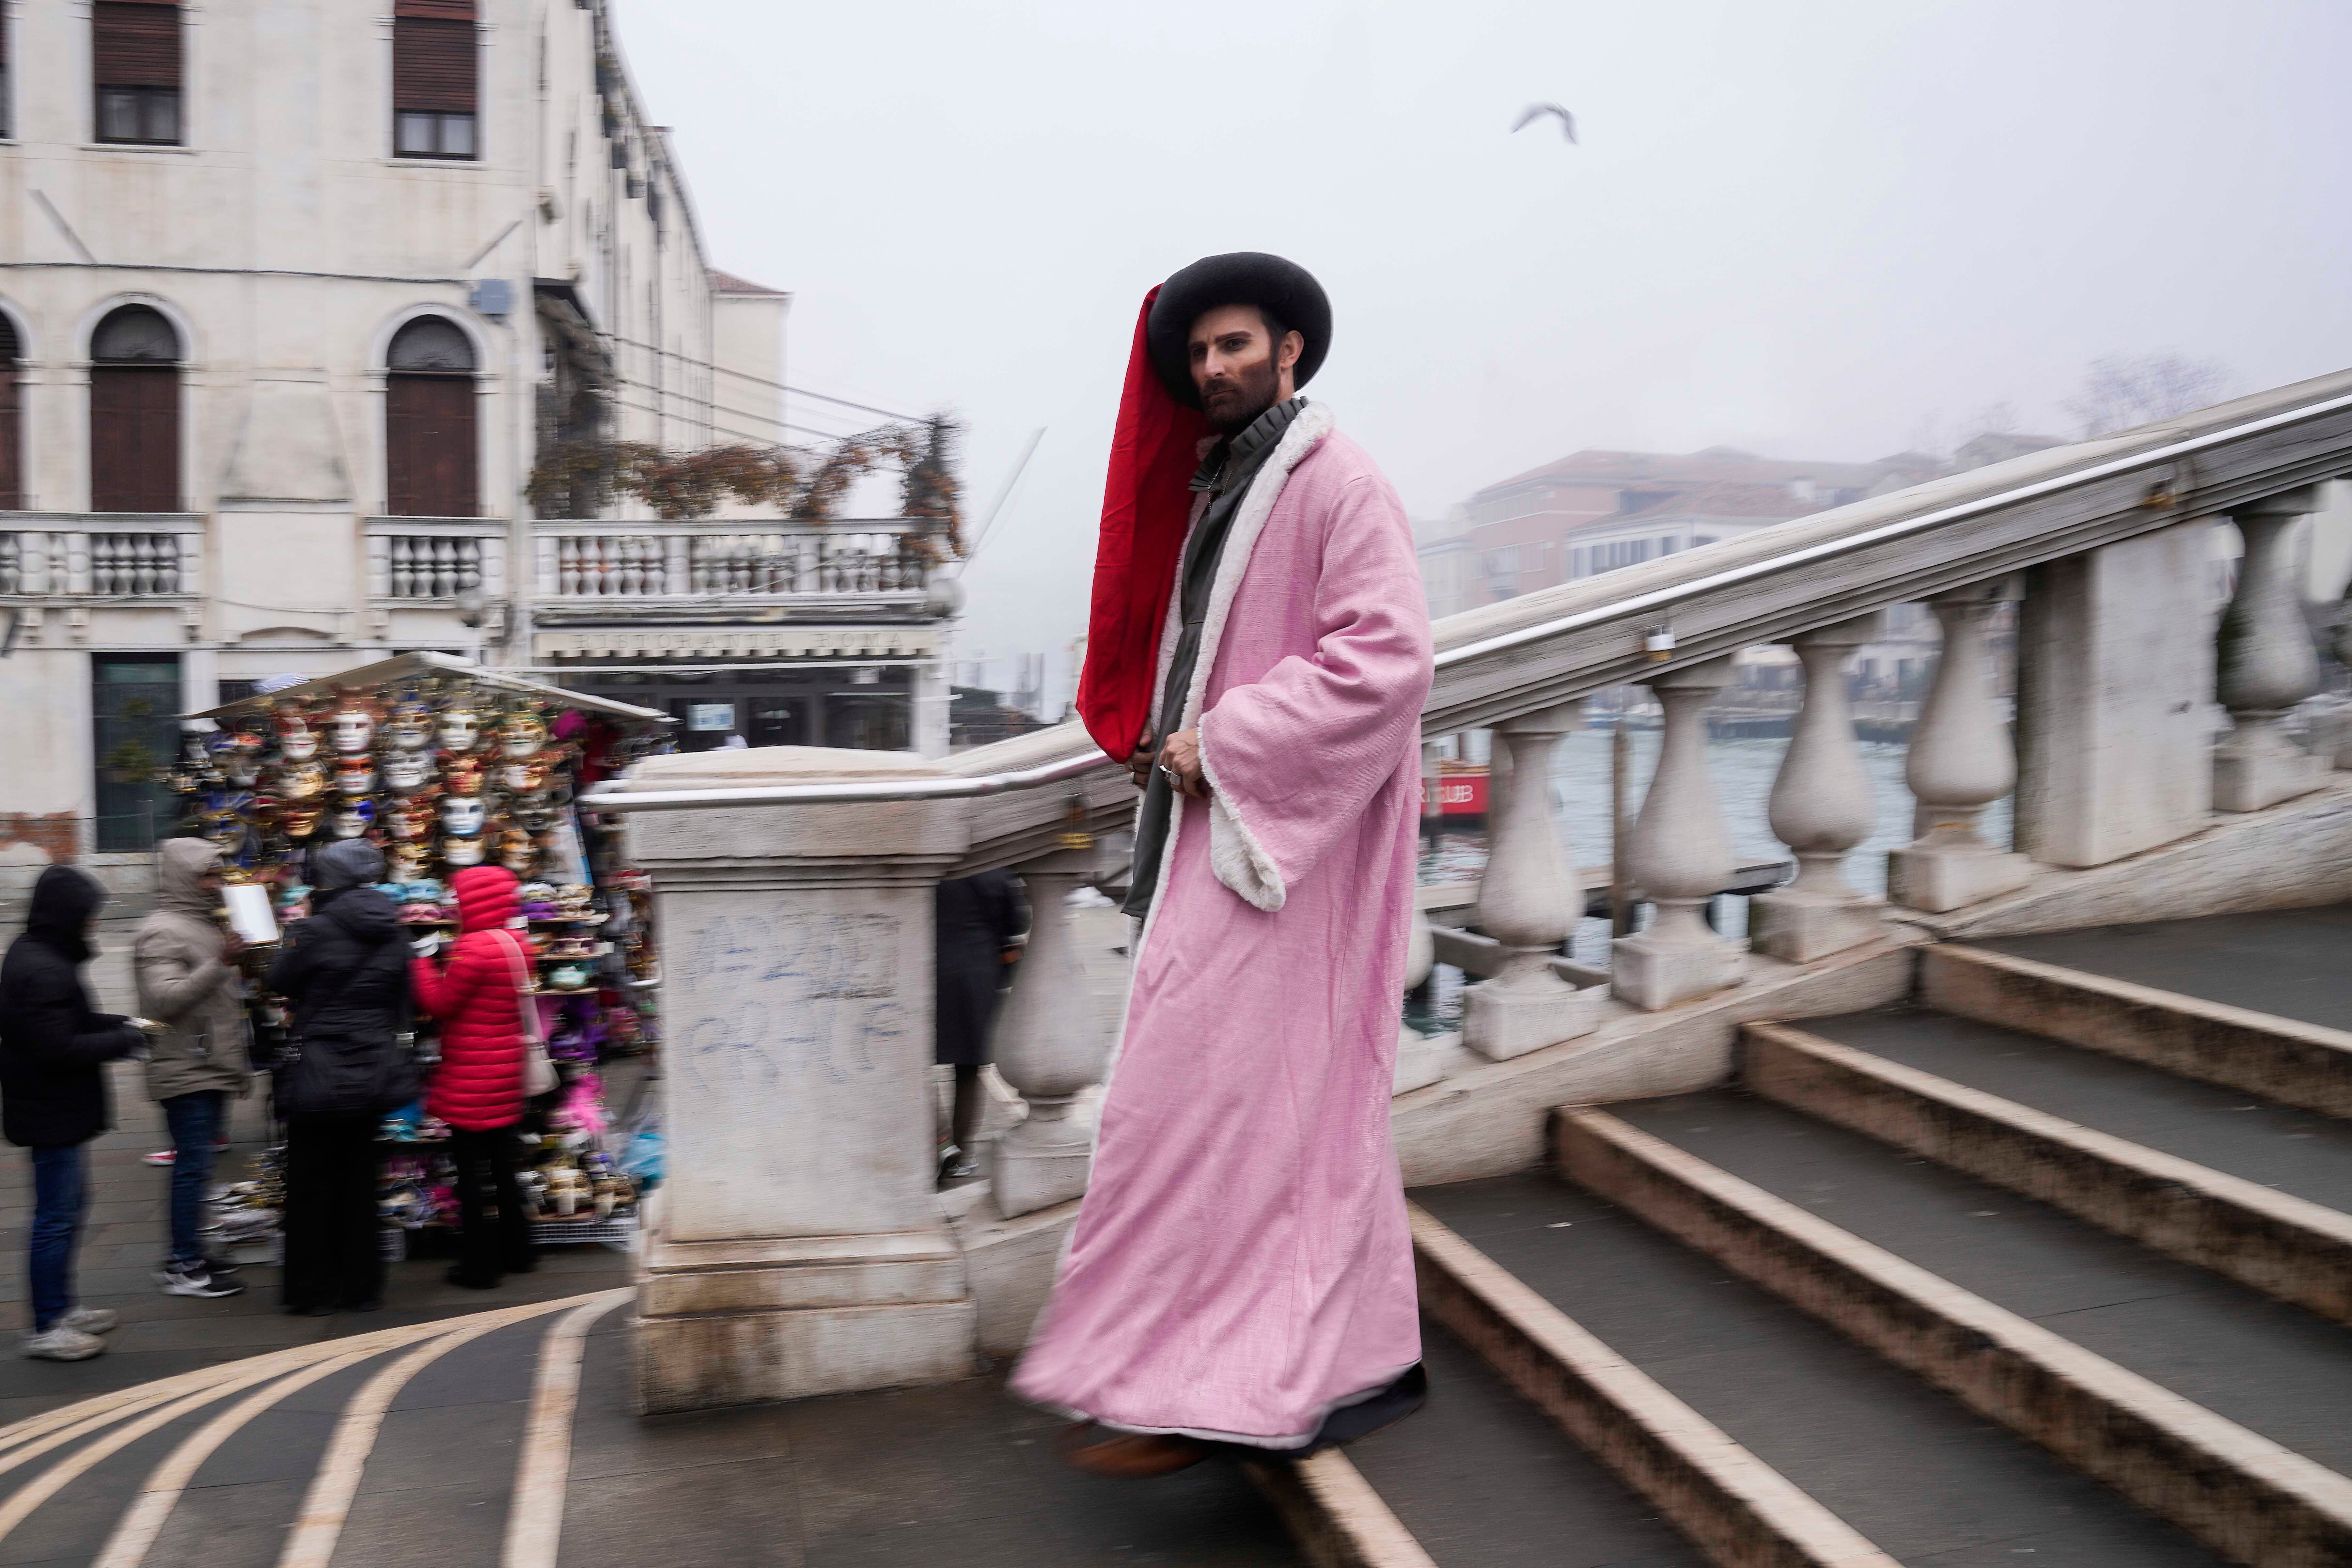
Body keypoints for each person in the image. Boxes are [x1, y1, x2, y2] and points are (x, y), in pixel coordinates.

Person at [1012, 254, 1435, 1475]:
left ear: (1291, 348)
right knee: (1285, 1106)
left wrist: (1225, 740)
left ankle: (1195, 1388)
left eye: (1235, 344)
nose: (1213, 367)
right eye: (1200, 353)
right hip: (1238, 822)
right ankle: (1331, 1365)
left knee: (1195, 1105)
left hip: (1285, 840)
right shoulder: (1227, 484)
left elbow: (1387, 660)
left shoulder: (1339, 480)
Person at [0, 867, 149, 1359]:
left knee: (66, 1212)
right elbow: (58, 1046)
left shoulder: (43, 957)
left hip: (54, 1108)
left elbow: (72, 1021)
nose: (93, 925)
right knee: (55, 1219)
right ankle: (47, 1326)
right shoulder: (41, 968)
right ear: (66, 915)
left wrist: (124, 1023)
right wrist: (126, 1040)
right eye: (88, 917)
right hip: (50, 1110)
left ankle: (62, 1309)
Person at [264, 839, 414, 1315]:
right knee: (360, 1183)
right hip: (371, 1067)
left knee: (311, 1185)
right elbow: (402, 1003)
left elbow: (278, 981)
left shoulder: (315, 929)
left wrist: (296, 931)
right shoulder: (395, 931)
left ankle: (311, 1292)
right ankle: (362, 1289)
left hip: (318, 1069)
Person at [132, 839, 252, 1300]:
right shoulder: (162, 931)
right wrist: (221, 963)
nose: (218, 883)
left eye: (219, 875)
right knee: (191, 1168)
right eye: (209, 875)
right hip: (187, 1067)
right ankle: (181, 1264)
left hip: (210, 1063)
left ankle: (192, 1251)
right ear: (186, 877)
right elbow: (165, 999)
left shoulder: (201, 924)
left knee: (200, 1170)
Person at [409, 864, 534, 1290]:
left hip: (470, 1077)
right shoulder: (517, 943)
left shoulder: (472, 949)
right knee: (504, 1169)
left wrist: (423, 964)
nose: (453, 905)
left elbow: (439, 1005)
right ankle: (520, 1251)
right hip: (506, 1072)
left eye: (457, 897)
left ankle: (480, 1266)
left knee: (470, 1177)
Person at [933, 871, 1029, 1182]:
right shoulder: (993, 869)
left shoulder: (932, 865)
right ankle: (962, 1152)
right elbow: (1016, 923)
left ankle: (940, 1140)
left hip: (926, 970)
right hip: (977, 975)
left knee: (909, 1066)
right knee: (969, 1069)